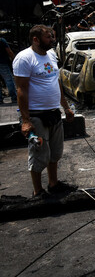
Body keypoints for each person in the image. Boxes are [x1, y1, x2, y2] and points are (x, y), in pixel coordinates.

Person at [13, 25, 75, 197]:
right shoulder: (24, 58)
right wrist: (25, 121)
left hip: (54, 112)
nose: (52, 40)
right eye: (48, 37)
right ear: (35, 39)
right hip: (36, 116)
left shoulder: (51, 55)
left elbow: (56, 83)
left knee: (55, 152)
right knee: (39, 153)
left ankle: (53, 184)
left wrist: (66, 107)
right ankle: (38, 191)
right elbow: (21, 90)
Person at [0, 37, 16, 103]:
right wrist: (14, 59)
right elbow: (9, 51)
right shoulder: (1, 40)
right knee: (9, 80)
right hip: (2, 62)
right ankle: (14, 97)